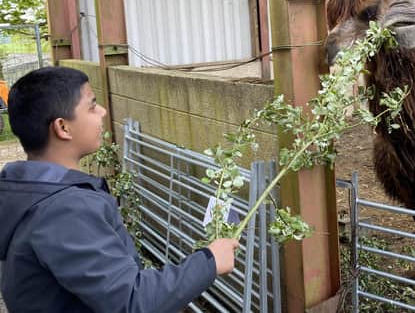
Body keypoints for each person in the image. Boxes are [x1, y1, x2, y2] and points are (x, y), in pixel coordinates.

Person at [0, 67, 239, 313]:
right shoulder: (64, 210)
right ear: (63, 127)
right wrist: (209, 262)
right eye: (92, 106)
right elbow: (131, 301)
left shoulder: (27, 191)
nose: (103, 111)